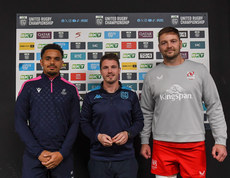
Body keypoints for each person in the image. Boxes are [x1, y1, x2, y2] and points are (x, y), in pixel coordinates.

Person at [140, 27, 227, 178]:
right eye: (164, 42)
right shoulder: (152, 76)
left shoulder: (199, 71)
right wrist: (144, 141)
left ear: (180, 43)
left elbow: (214, 106)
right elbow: (146, 111)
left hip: (193, 144)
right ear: (159, 46)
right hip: (162, 144)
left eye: (173, 41)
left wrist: (220, 140)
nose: (169, 46)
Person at [15, 43, 80, 178]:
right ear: (41, 62)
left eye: (56, 59)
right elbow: (19, 121)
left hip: (62, 155)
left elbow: (75, 123)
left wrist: (62, 153)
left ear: (62, 62)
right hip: (34, 156)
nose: (52, 62)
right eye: (48, 58)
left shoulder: (70, 89)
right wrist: (38, 152)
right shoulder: (29, 86)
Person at [80, 53, 144, 178]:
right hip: (98, 160)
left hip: (126, 160)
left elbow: (139, 121)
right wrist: (97, 136)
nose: (110, 71)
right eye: (105, 67)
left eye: (113, 67)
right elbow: (84, 123)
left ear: (119, 70)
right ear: (101, 71)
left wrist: (128, 133)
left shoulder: (130, 95)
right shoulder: (91, 96)